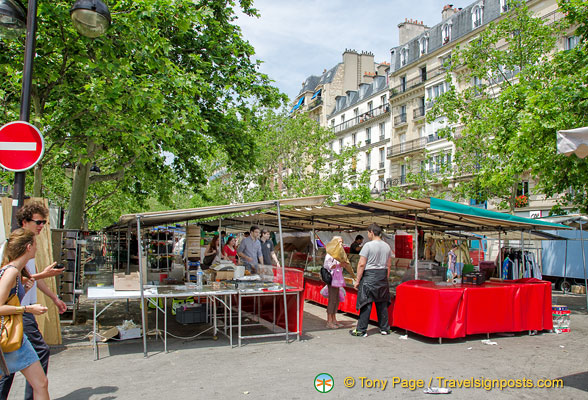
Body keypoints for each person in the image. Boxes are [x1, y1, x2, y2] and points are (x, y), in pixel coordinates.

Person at [0, 202, 66, 400]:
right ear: (24, 222)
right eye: (38, 222)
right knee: (19, 368)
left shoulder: (18, 260)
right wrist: (27, 308)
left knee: (33, 376)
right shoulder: (12, 256)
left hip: (20, 316)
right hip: (17, 317)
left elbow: (26, 278)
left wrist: (52, 295)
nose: (41, 226)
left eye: (44, 222)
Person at [0, 229, 50, 400]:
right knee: (40, 383)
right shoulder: (11, 272)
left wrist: (23, 291)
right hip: (9, 336)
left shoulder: (14, 271)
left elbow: (9, 300)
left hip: (14, 335)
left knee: (41, 383)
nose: (37, 248)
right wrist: (28, 309)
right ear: (28, 247)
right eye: (35, 245)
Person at [350, 223, 392, 337]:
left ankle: (361, 330)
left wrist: (357, 280)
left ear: (372, 232)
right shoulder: (387, 246)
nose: (368, 235)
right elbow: (389, 265)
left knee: (366, 303)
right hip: (382, 276)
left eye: (368, 232)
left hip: (370, 276)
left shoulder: (368, 246)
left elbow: (361, 264)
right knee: (382, 303)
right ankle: (385, 328)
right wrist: (385, 278)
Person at [323, 236, 349, 329]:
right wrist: (339, 265)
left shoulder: (339, 253)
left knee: (336, 299)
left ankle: (334, 319)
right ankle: (329, 320)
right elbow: (328, 266)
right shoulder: (330, 254)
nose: (341, 244)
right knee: (332, 299)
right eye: (339, 242)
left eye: (342, 242)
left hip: (337, 279)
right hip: (332, 279)